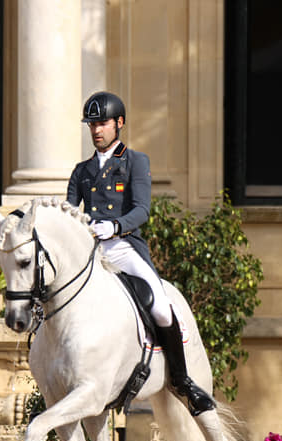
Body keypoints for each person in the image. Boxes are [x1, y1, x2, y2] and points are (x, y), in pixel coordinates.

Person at [66, 91, 215, 416]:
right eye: (92, 124)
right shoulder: (82, 171)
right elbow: (70, 211)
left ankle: (181, 379)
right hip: (91, 248)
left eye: (102, 123)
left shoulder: (136, 161)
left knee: (161, 308)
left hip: (122, 246)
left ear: (119, 123)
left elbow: (142, 211)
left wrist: (115, 227)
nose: (96, 130)